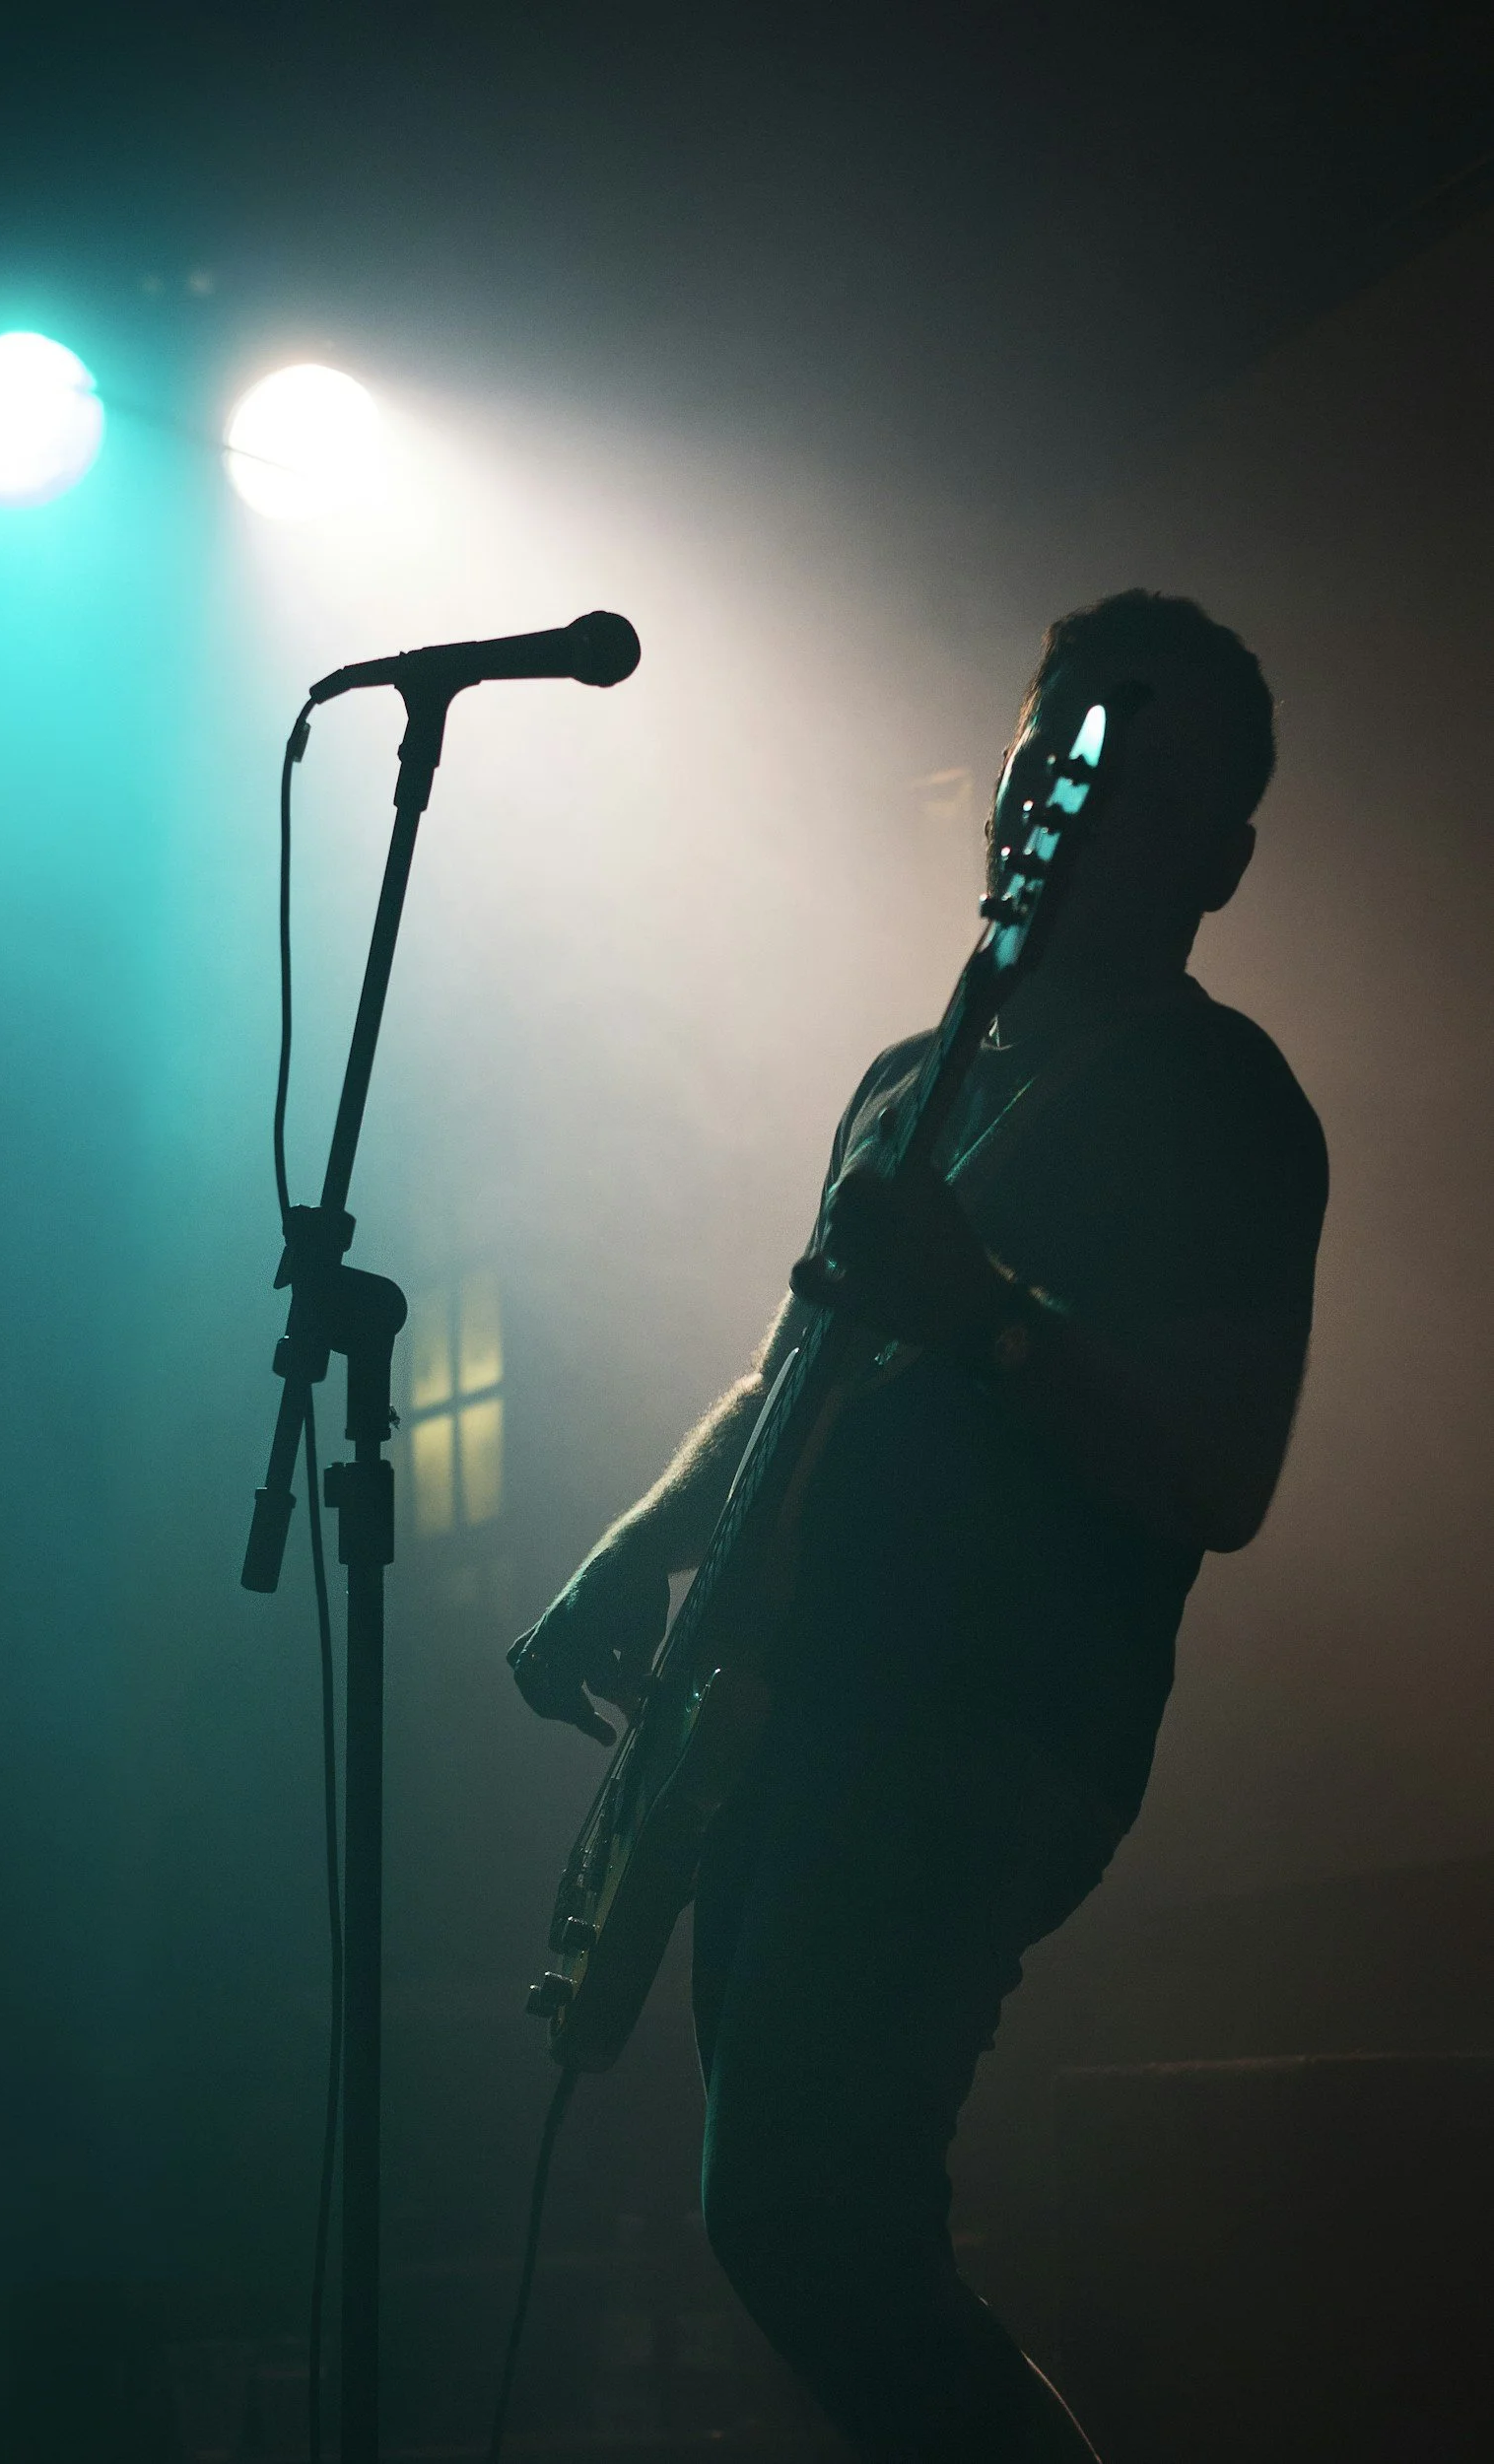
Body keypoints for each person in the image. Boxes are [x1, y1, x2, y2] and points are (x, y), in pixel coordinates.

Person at [508, 590, 1328, 2460]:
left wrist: (990, 1318)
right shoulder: (908, 1076)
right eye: (1056, 743)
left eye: (1132, 759)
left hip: (978, 1730)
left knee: (795, 2217)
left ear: (1221, 853)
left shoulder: (1216, 1094)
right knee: (804, 2230)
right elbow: (801, 1357)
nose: (1070, 779)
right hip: (796, 1711)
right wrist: (633, 1553)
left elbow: (1225, 1477)